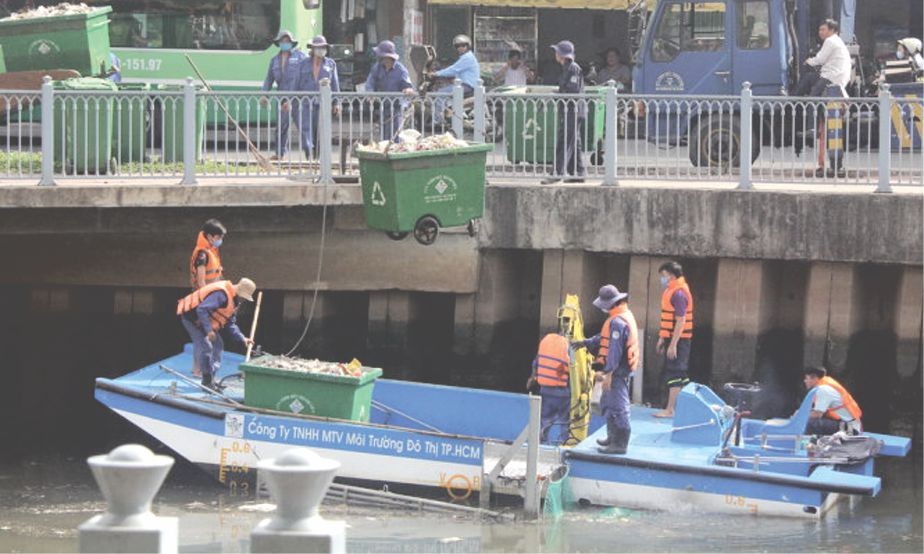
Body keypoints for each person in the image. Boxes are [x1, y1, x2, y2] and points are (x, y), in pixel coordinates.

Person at [574, 285, 638, 454]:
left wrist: (608, 372)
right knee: (608, 403)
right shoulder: (622, 316)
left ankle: (620, 443)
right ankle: (612, 437)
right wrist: (586, 342)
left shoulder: (617, 322)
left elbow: (615, 350)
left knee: (618, 405)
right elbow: (604, 338)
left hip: (617, 371)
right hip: (617, 370)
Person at [177, 278, 256, 389]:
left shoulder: (233, 301)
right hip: (192, 319)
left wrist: (242, 338)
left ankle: (211, 378)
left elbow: (230, 323)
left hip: (204, 321)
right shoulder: (221, 295)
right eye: (244, 297)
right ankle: (206, 381)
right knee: (206, 347)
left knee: (218, 346)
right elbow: (201, 309)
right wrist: (209, 330)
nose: (243, 299)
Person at [262, 30, 312, 160]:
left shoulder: (300, 57)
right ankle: (279, 153)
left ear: (292, 43)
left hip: (297, 98)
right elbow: (269, 79)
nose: (285, 43)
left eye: (287, 41)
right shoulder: (274, 60)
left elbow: (306, 76)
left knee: (303, 127)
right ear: (278, 43)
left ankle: (310, 154)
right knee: (281, 127)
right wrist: (264, 94)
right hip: (282, 97)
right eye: (282, 41)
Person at [654, 261, 694, 418]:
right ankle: (684, 408)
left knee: (675, 373)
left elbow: (681, 320)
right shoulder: (670, 291)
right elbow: (667, 319)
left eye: (664, 276)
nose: (662, 279)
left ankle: (670, 410)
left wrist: (673, 344)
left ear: (671, 275)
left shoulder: (679, 293)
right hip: (671, 337)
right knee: (680, 374)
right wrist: (662, 338)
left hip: (679, 340)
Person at [542, 40, 585, 184]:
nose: (555, 54)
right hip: (569, 110)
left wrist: (557, 95)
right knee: (574, 142)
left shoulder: (573, 68)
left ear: (561, 55)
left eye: (557, 52)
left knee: (565, 141)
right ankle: (578, 173)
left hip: (573, 110)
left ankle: (556, 173)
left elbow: (572, 91)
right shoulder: (567, 68)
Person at [527, 323, 572, 444]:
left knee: (544, 419)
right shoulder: (568, 346)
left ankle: (539, 443)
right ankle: (565, 443)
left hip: (545, 390)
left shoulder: (546, 342)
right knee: (565, 421)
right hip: (563, 392)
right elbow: (574, 368)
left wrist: (532, 378)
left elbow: (535, 363)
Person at [297, 35, 341, 156]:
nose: (320, 50)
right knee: (306, 130)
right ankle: (309, 155)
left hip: (323, 103)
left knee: (321, 132)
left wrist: (336, 103)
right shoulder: (303, 64)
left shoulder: (330, 64)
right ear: (312, 49)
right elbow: (296, 82)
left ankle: (318, 159)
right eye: (318, 47)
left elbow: (335, 84)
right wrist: (290, 100)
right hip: (306, 102)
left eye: (323, 47)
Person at [365, 40, 415, 142]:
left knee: (395, 135)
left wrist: (408, 90)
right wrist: (370, 92)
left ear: (387, 57)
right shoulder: (377, 67)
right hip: (383, 106)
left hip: (397, 107)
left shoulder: (401, 70)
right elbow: (370, 82)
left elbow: (407, 86)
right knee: (384, 135)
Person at [431, 34, 480, 125]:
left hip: (467, 86)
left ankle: (438, 121)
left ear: (468, 46)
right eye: (458, 46)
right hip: (465, 85)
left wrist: (436, 74)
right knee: (445, 89)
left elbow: (453, 69)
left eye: (463, 45)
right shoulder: (465, 57)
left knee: (439, 94)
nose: (460, 48)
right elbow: (456, 71)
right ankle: (448, 116)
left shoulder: (467, 58)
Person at [794, 19, 851, 97]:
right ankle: (794, 100)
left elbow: (820, 59)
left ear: (832, 30)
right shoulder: (837, 40)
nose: (820, 32)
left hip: (832, 76)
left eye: (823, 30)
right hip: (837, 75)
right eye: (819, 30)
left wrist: (808, 61)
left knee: (814, 96)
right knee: (809, 78)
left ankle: (793, 101)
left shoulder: (830, 40)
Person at [803, 366, 863, 435]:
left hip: (850, 429)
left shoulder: (823, 390)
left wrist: (800, 416)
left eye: (806, 378)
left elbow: (817, 414)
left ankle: (807, 441)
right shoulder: (824, 386)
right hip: (846, 424)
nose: (805, 381)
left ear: (814, 378)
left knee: (811, 423)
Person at [190, 219, 226, 290]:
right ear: (209, 236)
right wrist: (208, 295)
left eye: (221, 238)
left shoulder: (211, 250)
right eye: (218, 238)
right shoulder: (202, 254)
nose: (220, 240)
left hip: (213, 291)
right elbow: (201, 282)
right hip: (206, 293)